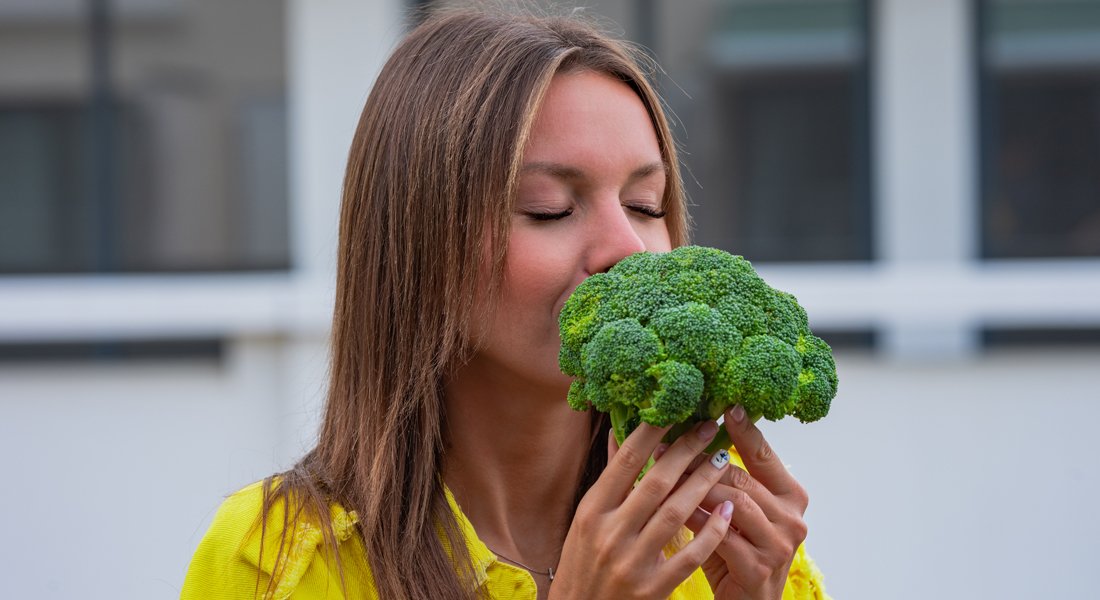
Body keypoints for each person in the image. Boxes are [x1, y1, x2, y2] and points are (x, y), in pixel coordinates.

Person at [181, 7, 829, 600]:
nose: (627, 248)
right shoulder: (275, 564)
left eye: (645, 205)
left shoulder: (732, 550)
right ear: (418, 240)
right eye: (550, 208)